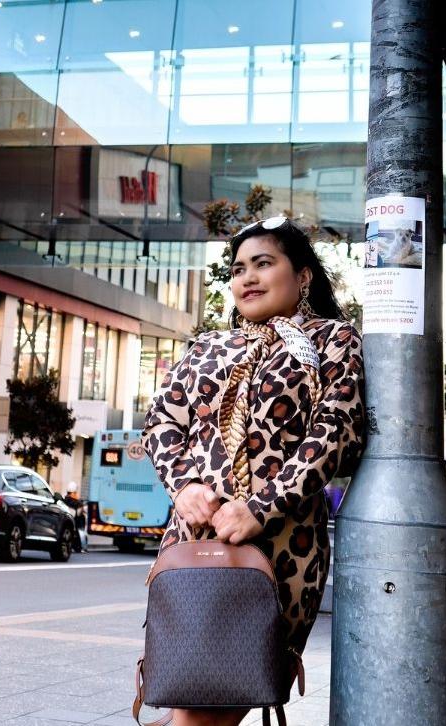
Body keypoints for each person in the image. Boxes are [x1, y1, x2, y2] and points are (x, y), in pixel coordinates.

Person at [143, 218, 365, 726]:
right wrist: (184, 486)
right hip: (193, 543)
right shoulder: (207, 347)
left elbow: (335, 431)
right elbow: (161, 422)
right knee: (188, 693)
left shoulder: (332, 341)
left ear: (303, 276)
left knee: (218, 700)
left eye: (264, 263)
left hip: (283, 547)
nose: (247, 278)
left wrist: (261, 508)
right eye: (238, 268)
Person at [63, 481, 88, 553]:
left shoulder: (64, 500)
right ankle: (83, 547)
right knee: (81, 532)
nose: (77, 494)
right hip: (77, 521)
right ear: (73, 493)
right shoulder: (77, 503)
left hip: (69, 520)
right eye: (76, 492)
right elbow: (80, 513)